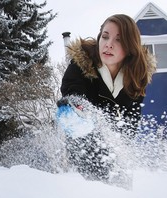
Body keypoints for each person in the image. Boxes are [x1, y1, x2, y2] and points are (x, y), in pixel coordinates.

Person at [58, 14, 156, 183]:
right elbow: (73, 96)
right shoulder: (80, 66)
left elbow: (131, 122)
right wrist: (76, 109)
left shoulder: (136, 77)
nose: (108, 44)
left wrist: (121, 152)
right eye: (105, 37)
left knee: (121, 183)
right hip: (82, 140)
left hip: (114, 150)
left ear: (130, 47)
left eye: (118, 40)